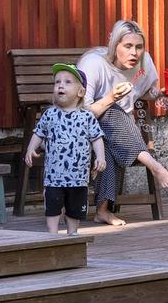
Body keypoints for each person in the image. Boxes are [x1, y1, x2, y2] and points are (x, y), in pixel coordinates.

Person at [76, 19, 168, 224]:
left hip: (117, 136)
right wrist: (110, 99)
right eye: (128, 46)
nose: (134, 53)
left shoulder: (144, 63)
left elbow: (145, 93)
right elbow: (81, 114)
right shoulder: (93, 64)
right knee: (111, 111)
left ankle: (102, 211)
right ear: (115, 46)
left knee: (108, 146)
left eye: (139, 47)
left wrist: (160, 94)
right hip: (81, 129)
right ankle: (156, 167)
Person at [23, 65, 106, 234]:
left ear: (81, 92)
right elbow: (38, 133)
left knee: (75, 208)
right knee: (53, 205)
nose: (60, 85)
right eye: (57, 82)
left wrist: (101, 157)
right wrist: (31, 149)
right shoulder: (50, 114)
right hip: (54, 176)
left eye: (67, 82)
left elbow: (97, 138)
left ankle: (72, 233)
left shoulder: (87, 116)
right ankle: (52, 234)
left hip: (78, 177)